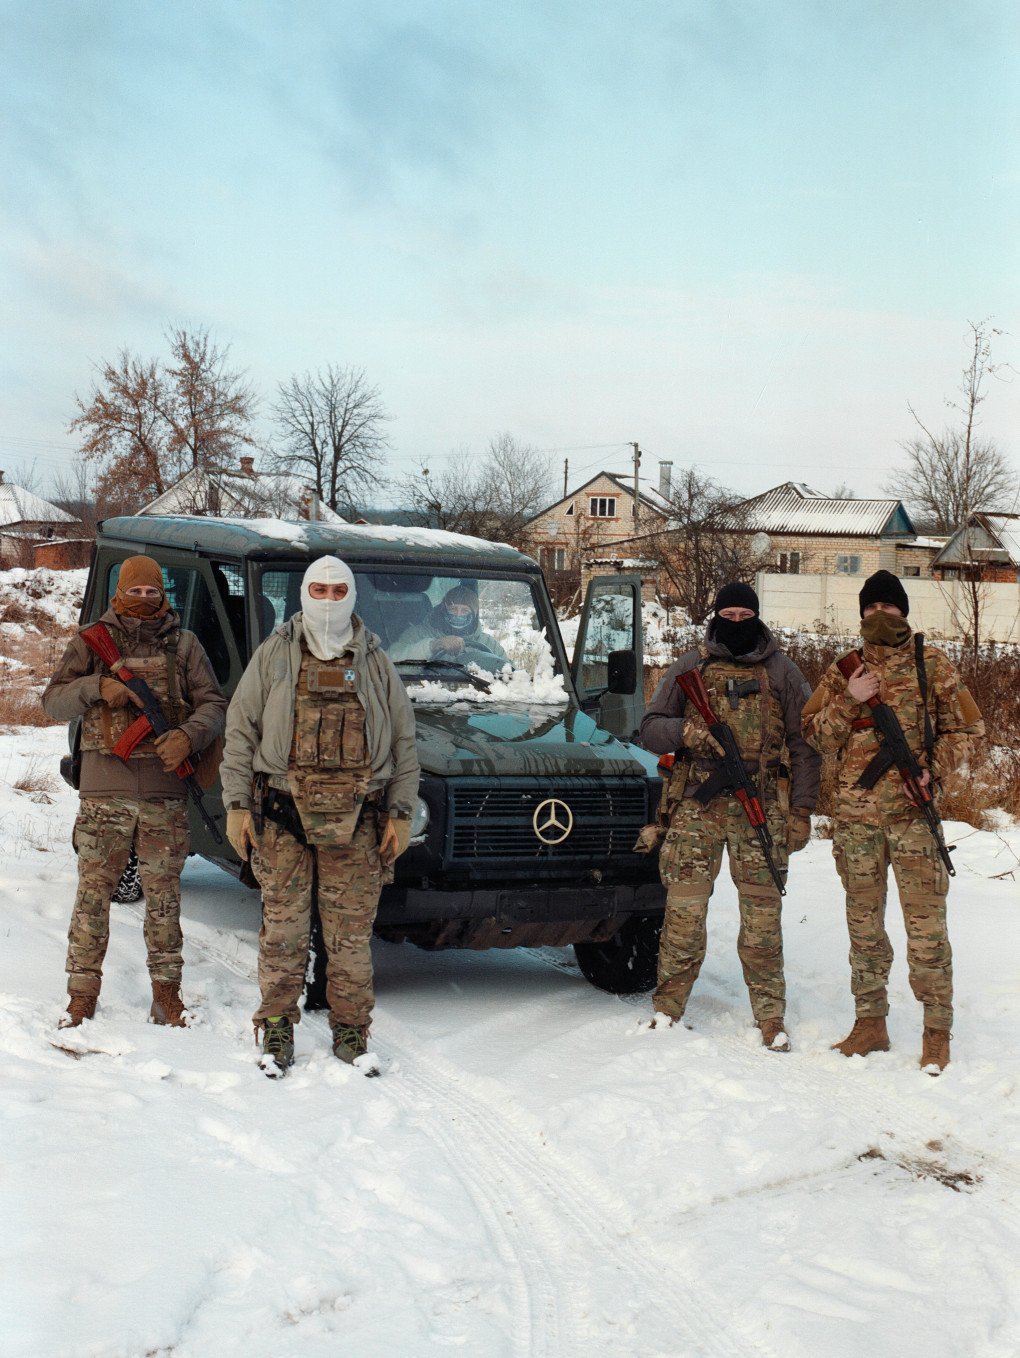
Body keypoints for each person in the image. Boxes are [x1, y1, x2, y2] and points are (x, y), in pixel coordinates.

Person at [221, 555, 420, 1076]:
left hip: (358, 822)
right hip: (283, 815)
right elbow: (240, 731)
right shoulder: (275, 656)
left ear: (351, 596)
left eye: (338, 591)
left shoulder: (375, 661)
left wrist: (400, 812)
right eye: (319, 590)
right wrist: (237, 806)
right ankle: (278, 1027)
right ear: (303, 594)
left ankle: (352, 1031)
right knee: (284, 933)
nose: (328, 600)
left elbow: (403, 741)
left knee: (350, 936)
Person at [802, 570, 984, 1074]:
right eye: (872, 608)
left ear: (904, 611)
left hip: (912, 819)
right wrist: (849, 700)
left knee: (926, 929)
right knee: (864, 927)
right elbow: (814, 736)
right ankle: (870, 1024)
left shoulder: (934, 664)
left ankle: (936, 1030)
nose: (881, 615)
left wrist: (931, 769)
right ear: (861, 614)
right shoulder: (843, 673)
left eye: (890, 607)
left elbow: (971, 728)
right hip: (857, 823)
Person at [42, 555, 228, 1029]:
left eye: (152, 592)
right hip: (104, 792)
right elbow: (53, 702)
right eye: (135, 591)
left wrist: (189, 736)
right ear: (117, 594)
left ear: (162, 594)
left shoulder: (185, 646)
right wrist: (98, 688)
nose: (144, 599)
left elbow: (213, 704)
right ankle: (81, 995)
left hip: (165, 794)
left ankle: (167, 996)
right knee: (92, 897)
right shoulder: (91, 643)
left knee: (164, 899)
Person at [639, 582, 821, 1050]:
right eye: (729, 614)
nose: (736, 622)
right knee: (684, 913)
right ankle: (667, 1009)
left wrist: (801, 810)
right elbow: (650, 731)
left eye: (745, 614)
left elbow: (805, 747)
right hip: (697, 806)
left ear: (757, 617)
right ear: (715, 616)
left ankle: (770, 1017)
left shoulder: (783, 671)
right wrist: (689, 732)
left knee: (763, 919)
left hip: (758, 808)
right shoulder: (689, 666)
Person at [388, 584, 508, 666]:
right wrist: (433, 645)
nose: (458, 614)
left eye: (464, 610)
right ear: (444, 609)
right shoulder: (418, 634)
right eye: (453, 609)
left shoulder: (488, 643)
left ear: (474, 614)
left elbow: (510, 673)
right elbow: (391, 660)